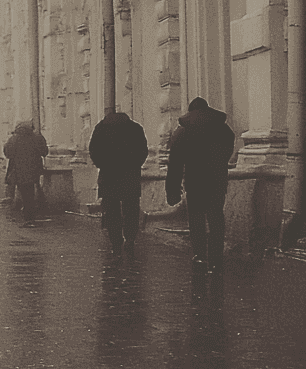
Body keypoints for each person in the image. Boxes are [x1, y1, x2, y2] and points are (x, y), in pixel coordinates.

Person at [165, 97, 236, 273]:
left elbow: (174, 163)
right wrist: (219, 163)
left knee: (196, 219)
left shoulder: (182, 131)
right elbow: (228, 146)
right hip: (217, 180)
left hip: (194, 181)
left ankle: (200, 255)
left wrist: (172, 190)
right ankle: (216, 257)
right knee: (216, 217)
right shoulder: (223, 128)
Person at [88, 110, 149, 257]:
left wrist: (102, 164)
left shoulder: (101, 128)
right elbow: (143, 151)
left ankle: (115, 241)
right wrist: (134, 165)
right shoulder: (135, 128)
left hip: (109, 175)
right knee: (131, 209)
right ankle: (130, 239)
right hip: (130, 175)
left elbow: (93, 150)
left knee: (111, 210)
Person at [3, 120, 48, 226]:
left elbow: (7, 153)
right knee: (32, 192)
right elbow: (44, 152)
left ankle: (27, 216)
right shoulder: (37, 138)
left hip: (19, 171)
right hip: (34, 170)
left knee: (24, 193)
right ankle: (31, 215)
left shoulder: (13, 139)